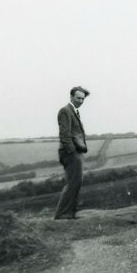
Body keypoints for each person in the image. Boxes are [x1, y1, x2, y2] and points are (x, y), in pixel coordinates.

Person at [55, 86, 90, 220]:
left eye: (83, 98)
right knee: (73, 182)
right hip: (70, 152)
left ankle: (69, 213)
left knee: (76, 182)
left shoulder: (73, 111)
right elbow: (65, 135)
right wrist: (72, 152)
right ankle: (62, 214)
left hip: (74, 152)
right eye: (78, 98)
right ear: (71, 97)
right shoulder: (65, 111)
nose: (81, 100)